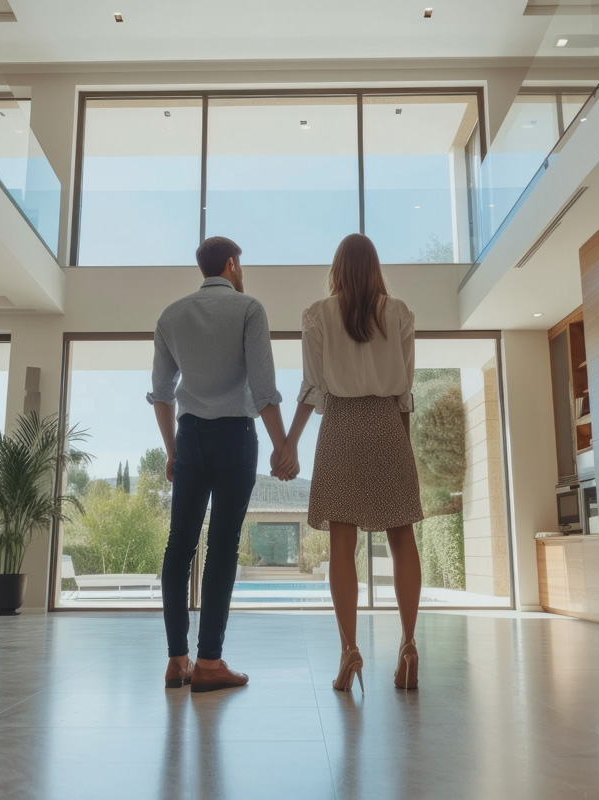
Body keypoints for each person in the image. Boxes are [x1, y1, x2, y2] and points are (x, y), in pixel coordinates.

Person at [276, 233, 424, 692]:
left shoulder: (317, 315)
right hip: (386, 426)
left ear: (337, 269)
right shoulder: (398, 312)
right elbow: (404, 392)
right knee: (402, 536)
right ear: (375, 267)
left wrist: (290, 443)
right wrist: (404, 449)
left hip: (340, 427)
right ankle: (408, 645)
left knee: (342, 544)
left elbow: (312, 388)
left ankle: (349, 651)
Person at [149, 236, 290, 693]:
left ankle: (177, 661)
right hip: (235, 437)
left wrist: (173, 449)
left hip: (190, 436)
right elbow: (264, 388)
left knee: (179, 545)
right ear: (232, 265)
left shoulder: (171, 315)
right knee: (222, 545)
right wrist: (282, 445)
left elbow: (162, 392)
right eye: (240, 264)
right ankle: (210, 663)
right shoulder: (249, 309)